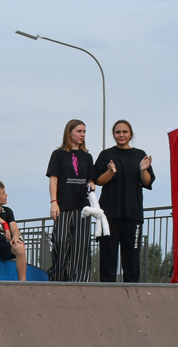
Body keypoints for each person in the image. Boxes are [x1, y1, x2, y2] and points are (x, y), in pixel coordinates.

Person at [95, 120, 156, 282]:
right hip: (109, 214)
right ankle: (107, 294)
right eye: (117, 132)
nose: (121, 135)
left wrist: (143, 169)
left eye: (124, 132)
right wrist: (110, 172)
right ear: (114, 134)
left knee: (132, 257)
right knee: (108, 257)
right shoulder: (106, 155)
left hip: (133, 213)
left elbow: (147, 182)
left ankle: (133, 292)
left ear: (130, 134)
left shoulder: (139, 154)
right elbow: (98, 181)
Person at [45, 119, 96, 282]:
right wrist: (54, 202)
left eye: (84, 132)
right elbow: (53, 180)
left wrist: (91, 184)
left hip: (82, 207)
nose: (82, 135)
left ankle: (80, 280)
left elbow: (90, 179)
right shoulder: (58, 154)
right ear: (69, 132)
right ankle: (58, 277)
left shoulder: (87, 157)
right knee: (60, 241)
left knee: (81, 246)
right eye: (79, 131)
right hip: (63, 204)